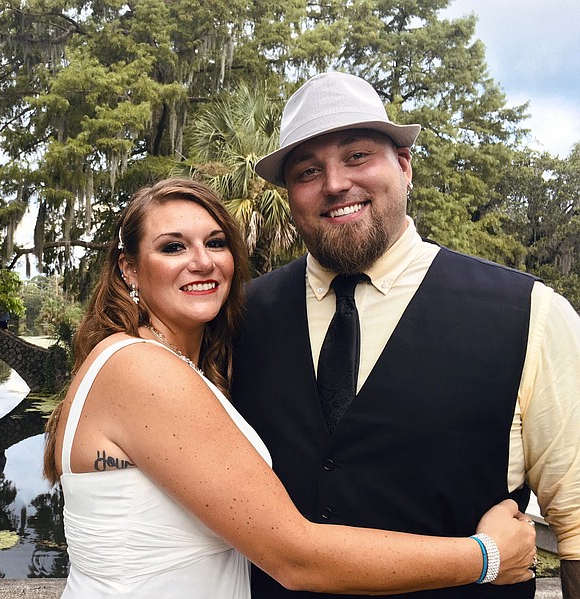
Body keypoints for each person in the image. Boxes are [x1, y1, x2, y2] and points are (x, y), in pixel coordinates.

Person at [43, 178, 536, 598]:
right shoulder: (141, 371)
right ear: (129, 268)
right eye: (172, 247)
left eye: (216, 243)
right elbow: (293, 556)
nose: (202, 262)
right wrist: (485, 557)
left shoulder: (177, 366)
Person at [234, 71, 580, 598]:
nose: (334, 184)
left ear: (404, 164)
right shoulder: (241, 317)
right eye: (307, 170)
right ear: (289, 195)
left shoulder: (531, 314)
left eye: (357, 156)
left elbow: (575, 528)